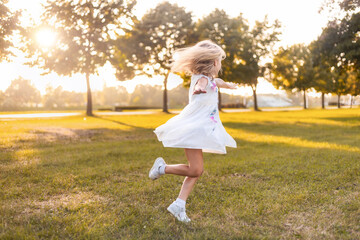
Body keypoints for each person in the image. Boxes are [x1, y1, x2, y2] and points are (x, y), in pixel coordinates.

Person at [149, 40, 237, 223]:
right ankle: (161, 169)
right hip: (194, 129)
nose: (220, 64)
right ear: (214, 62)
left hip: (200, 129)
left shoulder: (211, 79)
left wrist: (228, 85)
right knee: (196, 170)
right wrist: (199, 89)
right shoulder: (201, 79)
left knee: (196, 170)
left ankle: (178, 204)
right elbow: (202, 84)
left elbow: (217, 81)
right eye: (220, 61)